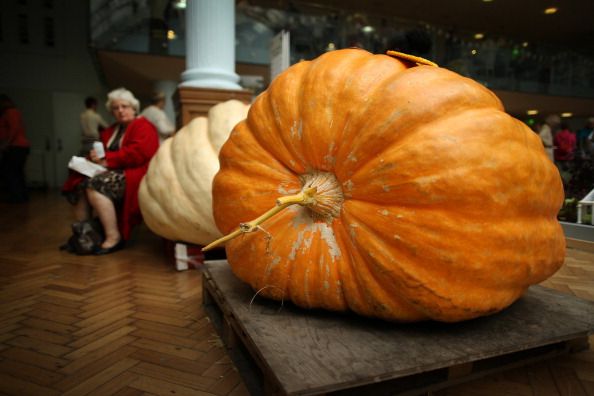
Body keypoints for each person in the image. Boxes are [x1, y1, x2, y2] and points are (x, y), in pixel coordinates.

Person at [62, 88, 159, 254]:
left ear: (134, 108)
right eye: (116, 108)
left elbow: (138, 154)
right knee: (79, 183)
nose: (120, 110)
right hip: (113, 170)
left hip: (136, 172)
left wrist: (107, 159)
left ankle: (113, 237)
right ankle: (84, 236)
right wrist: (93, 158)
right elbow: (102, 153)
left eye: (124, 106)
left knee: (95, 185)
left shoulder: (144, 126)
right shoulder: (112, 130)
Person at [0, 94, 31, 203]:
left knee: (10, 172)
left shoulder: (11, 112)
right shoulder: (10, 112)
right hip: (18, 146)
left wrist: (6, 144)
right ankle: (21, 196)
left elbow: (14, 129)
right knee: (17, 172)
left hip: (16, 147)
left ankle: (17, 196)